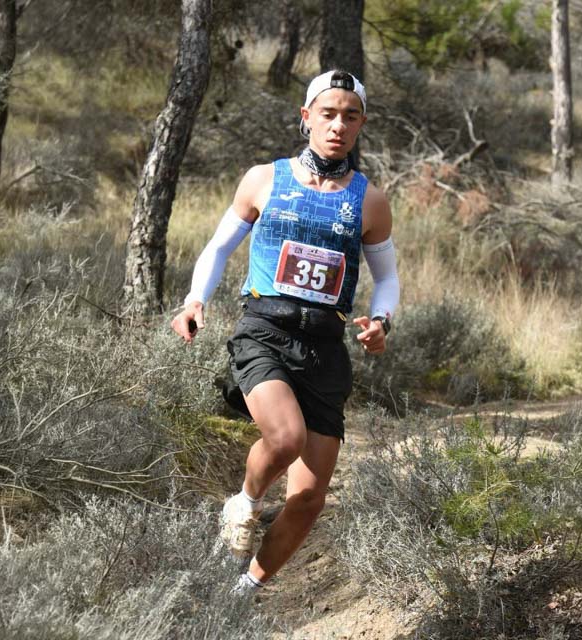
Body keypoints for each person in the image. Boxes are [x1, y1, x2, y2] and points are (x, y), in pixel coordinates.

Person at [170, 69, 400, 596]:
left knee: (309, 497)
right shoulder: (264, 179)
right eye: (328, 113)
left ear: (361, 124)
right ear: (306, 118)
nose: (338, 125)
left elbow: (386, 279)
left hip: (326, 347)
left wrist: (382, 321)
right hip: (265, 331)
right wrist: (194, 300)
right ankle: (245, 503)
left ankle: (243, 590)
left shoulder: (371, 201)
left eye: (350, 116)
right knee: (286, 436)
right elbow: (219, 248)